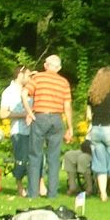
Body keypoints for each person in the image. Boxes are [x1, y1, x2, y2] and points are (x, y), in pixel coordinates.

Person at [22, 54, 74, 200]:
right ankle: (52, 194)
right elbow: (67, 106)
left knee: (35, 155)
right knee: (54, 157)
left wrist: (29, 111)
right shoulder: (64, 82)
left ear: (46, 65)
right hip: (57, 119)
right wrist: (70, 127)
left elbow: (24, 93)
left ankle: (33, 193)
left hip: (40, 117)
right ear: (59, 68)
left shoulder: (38, 78)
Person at [86, 65, 110, 201]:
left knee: (99, 162)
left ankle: (103, 194)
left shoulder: (92, 95)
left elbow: (89, 116)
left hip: (96, 129)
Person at [0, 66, 32, 197]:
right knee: (21, 160)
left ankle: (36, 187)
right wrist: (23, 114)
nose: (30, 78)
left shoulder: (30, 90)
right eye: (28, 75)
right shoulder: (9, 92)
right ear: (20, 75)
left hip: (33, 131)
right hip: (19, 131)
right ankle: (20, 187)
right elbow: (3, 113)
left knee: (37, 160)